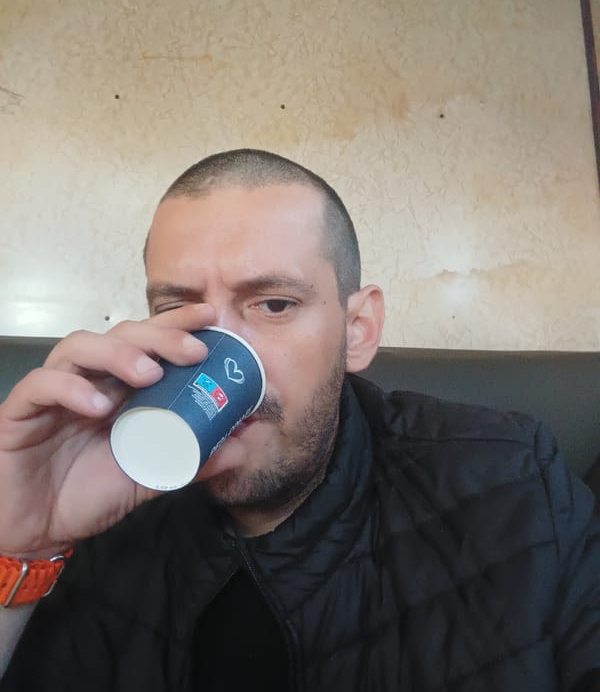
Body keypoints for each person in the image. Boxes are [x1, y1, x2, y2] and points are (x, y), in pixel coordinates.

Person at [0, 148, 598, 692]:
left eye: (275, 304)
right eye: (178, 309)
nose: (214, 355)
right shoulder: (95, 500)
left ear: (357, 330)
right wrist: (22, 543)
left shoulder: (513, 483)